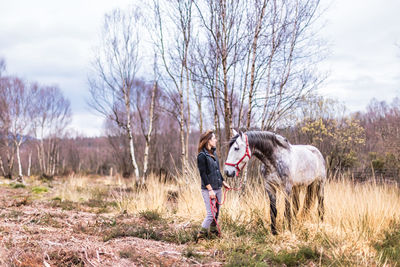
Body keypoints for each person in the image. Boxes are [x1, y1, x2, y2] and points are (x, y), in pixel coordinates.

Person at [196, 130, 231, 239]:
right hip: (208, 190)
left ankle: (213, 233)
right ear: (208, 140)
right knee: (210, 215)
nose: (216, 140)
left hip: (218, 188)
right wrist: (210, 190)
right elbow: (203, 174)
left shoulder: (213, 153)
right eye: (214, 138)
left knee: (216, 214)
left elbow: (217, 171)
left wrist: (223, 182)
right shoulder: (202, 156)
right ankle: (200, 236)